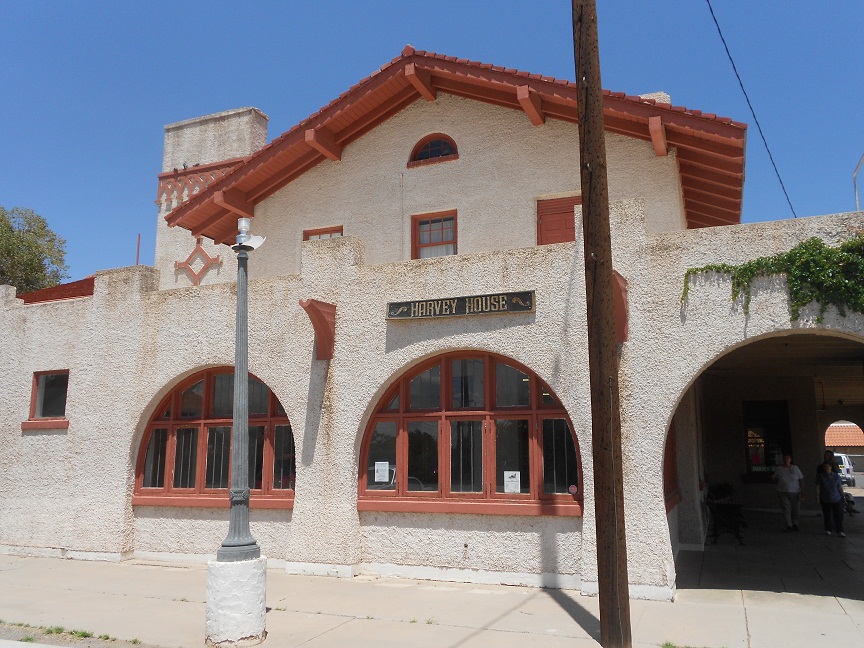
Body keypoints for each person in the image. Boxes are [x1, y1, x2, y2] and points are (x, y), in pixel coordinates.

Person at [772, 454, 804, 531]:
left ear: (790, 460)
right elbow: (775, 479)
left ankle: (795, 524)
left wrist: (802, 490)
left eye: (788, 458)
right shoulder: (779, 469)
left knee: (795, 509)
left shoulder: (795, 468)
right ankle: (788, 525)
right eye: (785, 458)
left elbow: (801, 479)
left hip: (795, 491)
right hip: (782, 491)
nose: (786, 460)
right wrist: (773, 479)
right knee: (786, 509)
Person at [815, 461, 846, 537]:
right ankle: (828, 529)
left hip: (836, 497)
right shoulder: (821, 476)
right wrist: (817, 496)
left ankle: (840, 530)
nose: (826, 468)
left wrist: (843, 496)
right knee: (827, 515)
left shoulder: (836, 476)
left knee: (838, 515)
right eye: (825, 467)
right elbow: (818, 486)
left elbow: (840, 487)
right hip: (825, 497)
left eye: (827, 466)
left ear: (831, 467)